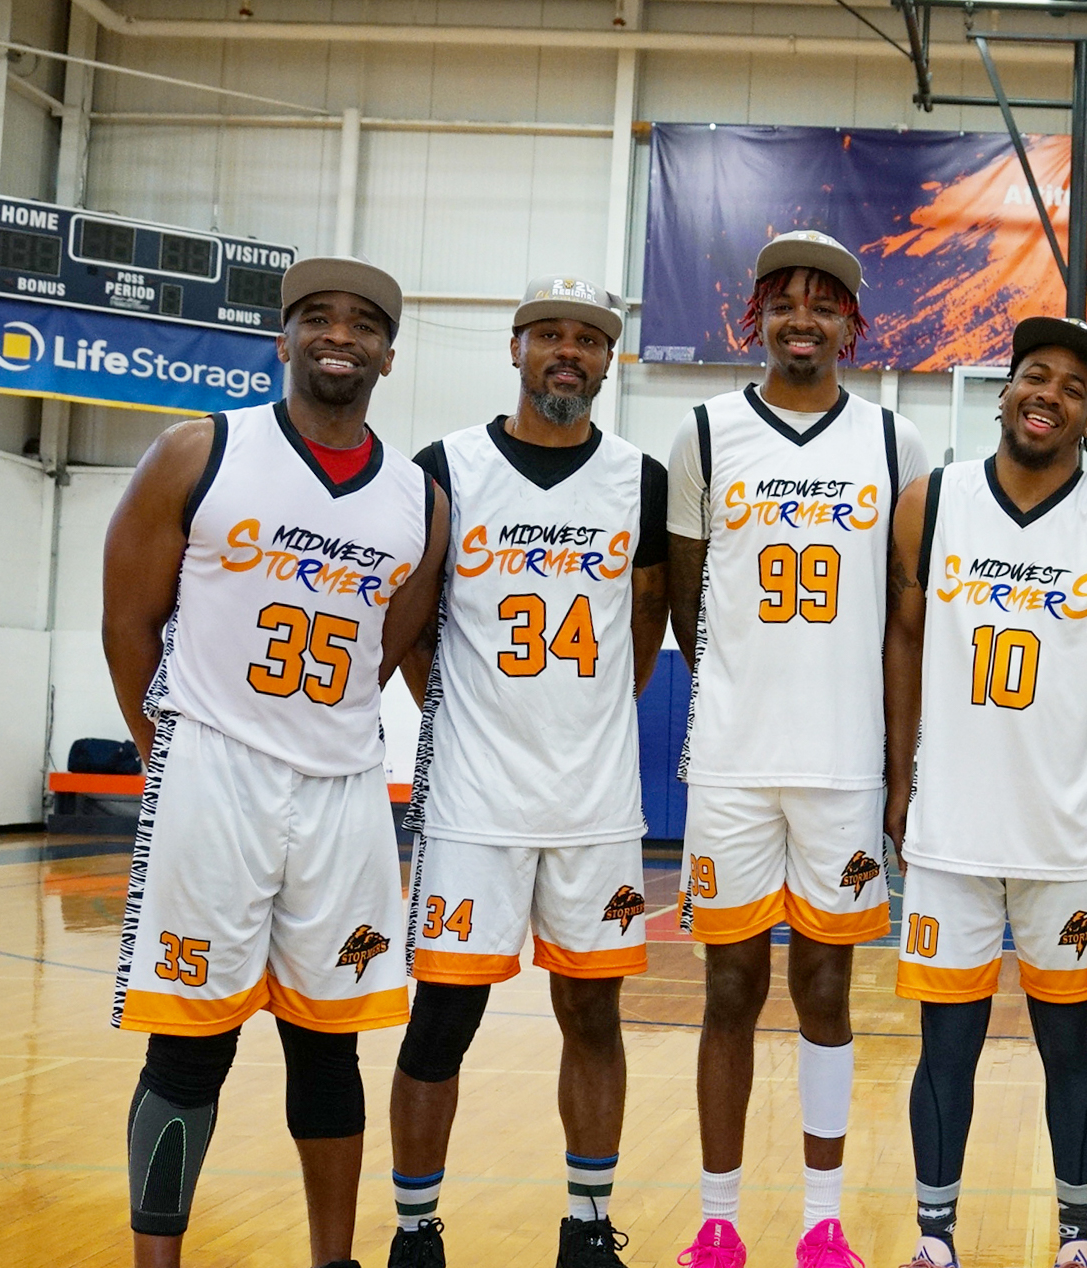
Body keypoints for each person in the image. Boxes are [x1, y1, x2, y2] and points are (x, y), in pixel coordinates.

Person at [101, 256, 448, 1268]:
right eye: (315, 318)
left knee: (326, 1040)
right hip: (214, 773)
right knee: (190, 1040)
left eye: (362, 323)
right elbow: (129, 621)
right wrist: (162, 745)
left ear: (389, 349)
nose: (339, 335)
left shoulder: (418, 499)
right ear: (283, 336)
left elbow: (391, 646)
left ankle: (333, 1259)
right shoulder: (197, 451)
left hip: (341, 788)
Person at [384, 276, 668, 1268]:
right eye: (548, 333)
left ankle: (588, 1223)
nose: (567, 351)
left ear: (608, 360)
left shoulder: (641, 476)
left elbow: (646, 622)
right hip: (473, 800)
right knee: (443, 1016)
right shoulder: (445, 466)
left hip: (593, 802)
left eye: (588, 339)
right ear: (514, 348)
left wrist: (585, 719)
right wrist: (464, 717)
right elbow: (413, 627)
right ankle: (415, 1229)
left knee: (592, 1009)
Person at [665, 230, 931, 1268]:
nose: (803, 319)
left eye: (825, 303)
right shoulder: (703, 431)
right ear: (756, 318)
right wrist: (743, 682)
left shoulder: (899, 446)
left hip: (844, 762)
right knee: (727, 988)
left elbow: (907, 617)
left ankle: (823, 1217)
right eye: (785, 302)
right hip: (732, 759)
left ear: (853, 327)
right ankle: (718, 1215)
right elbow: (689, 602)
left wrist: (900, 763)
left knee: (826, 986)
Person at [883, 317, 1087, 1268]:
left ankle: (1077, 1235)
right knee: (943, 1048)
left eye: (1074, 387)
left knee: (1071, 1049)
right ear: (1003, 393)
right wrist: (899, 778)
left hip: (1065, 835)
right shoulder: (934, 499)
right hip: (952, 825)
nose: (1049, 394)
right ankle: (935, 1235)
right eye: (1033, 376)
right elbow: (906, 642)